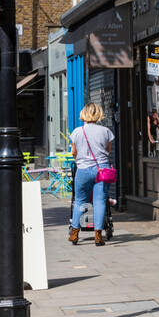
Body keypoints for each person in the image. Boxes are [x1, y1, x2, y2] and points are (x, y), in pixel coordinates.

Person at [68, 103, 114, 246]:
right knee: (100, 202)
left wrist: (81, 159)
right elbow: (107, 151)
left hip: (83, 170)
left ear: (84, 114)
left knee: (80, 201)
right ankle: (98, 236)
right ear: (99, 114)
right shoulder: (106, 131)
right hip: (102, 170)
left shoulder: (77, 131)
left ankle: (75, 233)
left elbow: (74, 152)